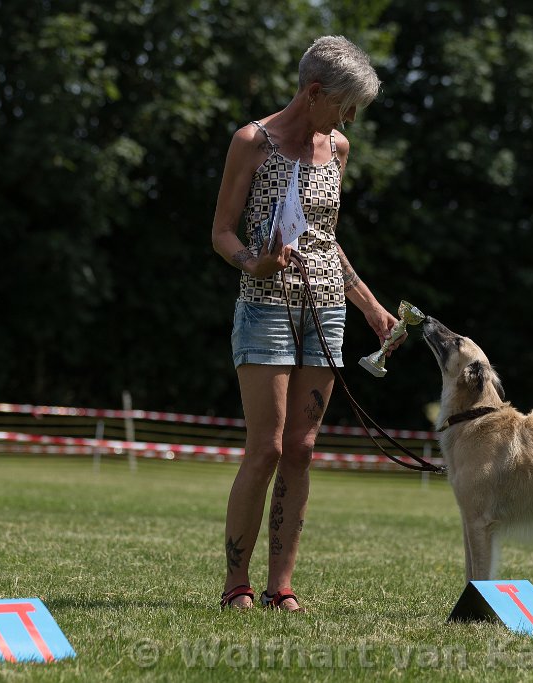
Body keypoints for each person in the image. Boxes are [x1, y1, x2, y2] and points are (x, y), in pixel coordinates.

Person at [211, 36, 398, 611]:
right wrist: (254, 260)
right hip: (265, 305)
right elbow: (221, 233)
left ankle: (280, 587)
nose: (348, 120)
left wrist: (367, 303)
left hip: (325, 310)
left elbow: (325, 238)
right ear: (314, 91)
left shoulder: (338, 148)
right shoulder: (253, 141)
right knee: (265, 448)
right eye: (345, 106)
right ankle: (236, 585)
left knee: (302, 447)